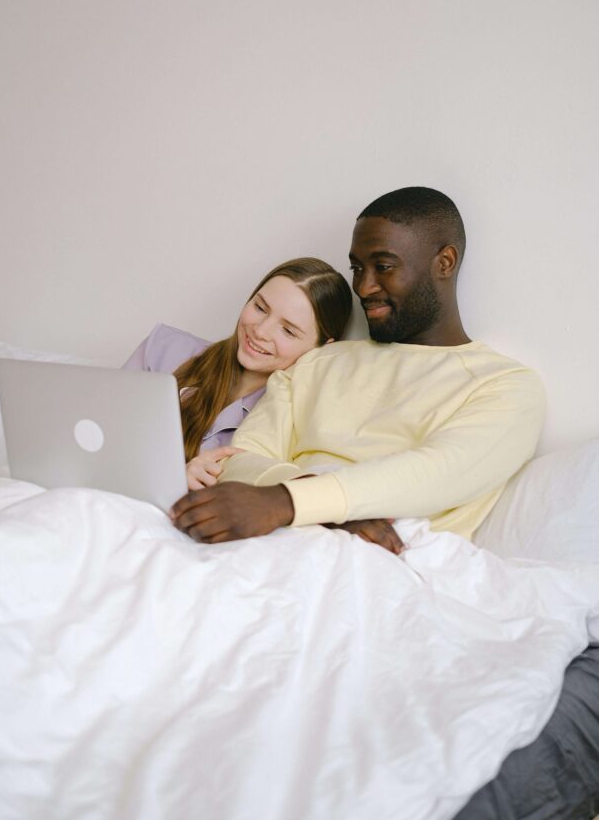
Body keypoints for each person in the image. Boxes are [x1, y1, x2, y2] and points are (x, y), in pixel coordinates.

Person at [170, 186, 546, 550]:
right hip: (267, 537)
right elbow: (239, 460)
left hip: (384, 561)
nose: (364, 287)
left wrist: (285, 502)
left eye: (383, 267)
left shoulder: (505, 386)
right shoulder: (317, 363)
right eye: (357, 268)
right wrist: (330, 514)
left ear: (444, 262)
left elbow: (440, 472)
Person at [123, 258, 352, 490]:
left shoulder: (289, 427)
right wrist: (169, 476)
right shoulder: (162, 349)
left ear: (320, 348)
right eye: (260, 307)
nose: (260, 330)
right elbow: (99, 444)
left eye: (288, 330)